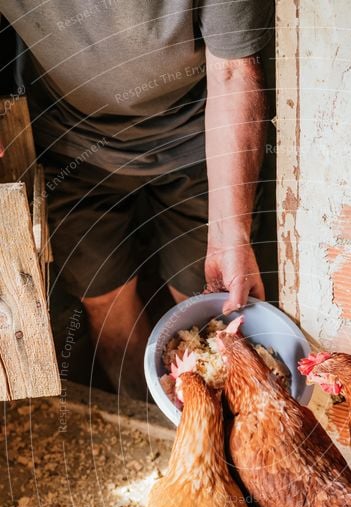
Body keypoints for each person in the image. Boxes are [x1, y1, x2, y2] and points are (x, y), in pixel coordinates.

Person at [0, 1, 273, 397]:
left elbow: (232, 70)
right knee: (105, 303)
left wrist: (232, 233)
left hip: (201, 136)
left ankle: (200, 425)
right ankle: (150, 418)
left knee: (209, 305)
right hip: (67, 141)